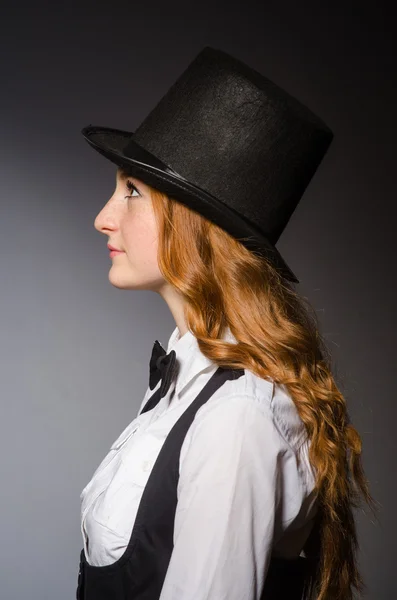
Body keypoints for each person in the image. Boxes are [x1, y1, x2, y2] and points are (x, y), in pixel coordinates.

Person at [76, 46, 375, 600]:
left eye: (132, 192)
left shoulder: (237, 419)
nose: (103, 217)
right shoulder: (186, 382)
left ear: (196, 226)